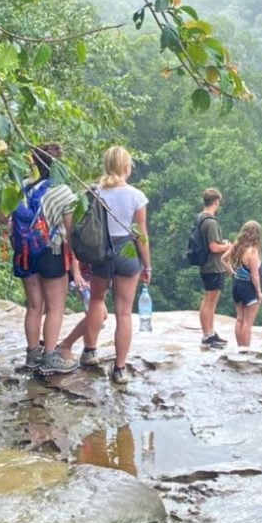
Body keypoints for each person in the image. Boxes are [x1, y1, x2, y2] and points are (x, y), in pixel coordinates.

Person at [80, 146, 151, 385]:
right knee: (124, 312)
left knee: (97, 301)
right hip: (127, 251)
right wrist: (147, 266)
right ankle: (119, 369)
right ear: (125, 167)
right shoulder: (136, 196)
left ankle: (90, 351)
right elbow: (141, 234)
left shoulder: (94, 192)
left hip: (101, 251)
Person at [12, 143, 81, 375]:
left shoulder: (20, 187)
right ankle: (50, 356)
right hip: (51, 252)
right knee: (55, 306)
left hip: (25, 253)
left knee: (33, 305)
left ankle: (32, 355)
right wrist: (76, 264)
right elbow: (70, 232)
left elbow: (2, 217)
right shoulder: (63, 192)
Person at [195, 188, 230, 349]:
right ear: (216, 202)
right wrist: (228, 245)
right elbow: (214, 247)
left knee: (210, 300)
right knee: (210, 301)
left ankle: (210, 332)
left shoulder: (200, 218)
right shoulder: (210, 222)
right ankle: (207, 335)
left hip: (206, 265)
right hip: (213, 266)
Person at [222, 220, 262, 348]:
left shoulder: (237, 246)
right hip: (249, 288)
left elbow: (223, 259)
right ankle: (246, 349)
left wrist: (232, 273)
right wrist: (259, 292)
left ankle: (240, 347)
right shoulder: (252, 252)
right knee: (248, 322)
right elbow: (254, 275)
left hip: (237, 285)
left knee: (240, 319)